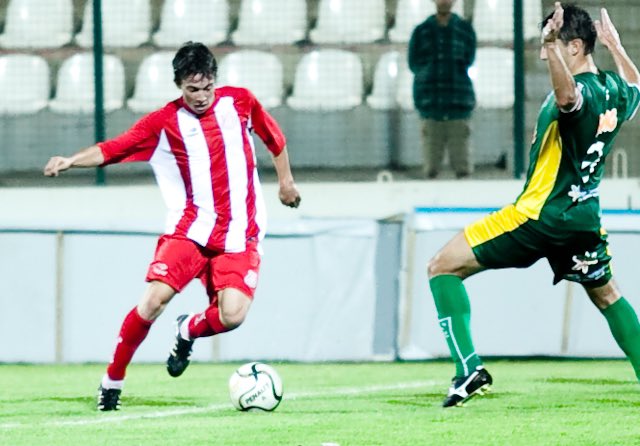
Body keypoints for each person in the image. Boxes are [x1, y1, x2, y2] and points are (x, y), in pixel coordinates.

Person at [43, 42, 301, 411]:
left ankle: (188, 329)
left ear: (215, 80)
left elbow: (273, 137)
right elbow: (113, 148)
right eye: (192, 89)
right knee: (152, 302)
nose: (200, 96)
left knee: (233, 316)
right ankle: (112, 381)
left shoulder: (240, 102)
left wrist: (286, 182)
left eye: (206, 87)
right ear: (179, 85)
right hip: (191, 233)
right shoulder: (164, 123)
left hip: (240, 235)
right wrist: (70, 161)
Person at [427, 3, 640, 407]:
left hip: (539, 215)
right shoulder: (613, 90)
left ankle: (468, 368)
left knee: (441, 266)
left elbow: (567, 98)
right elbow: (637, 87)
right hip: (583, 219)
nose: (543, 53)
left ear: (575, 46)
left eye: (552, 45)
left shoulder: (582, 95)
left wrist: (554, 50)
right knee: (608, 296)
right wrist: (616, 45)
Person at [408, 0, 476, 179]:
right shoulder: (421, 31)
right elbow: (414, 63)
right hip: (431, 104)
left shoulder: (464, 29)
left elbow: (468, 58)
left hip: (458, 104)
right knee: (431, 167)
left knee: (462, 166)